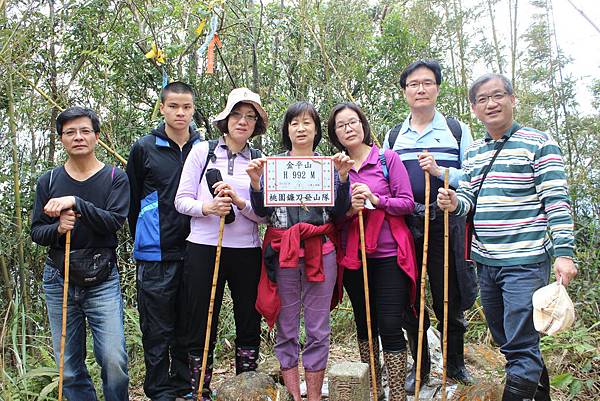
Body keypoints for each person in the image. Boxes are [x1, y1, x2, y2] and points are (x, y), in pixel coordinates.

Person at [437, 73, 577, 401]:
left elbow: (556, 201)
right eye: (482, 99)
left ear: (513, 99)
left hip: (525, 262)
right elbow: (468, 200)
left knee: (520, 345)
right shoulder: (472, 153)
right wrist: (454, 202)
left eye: (497, 95)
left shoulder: (539, 143)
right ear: (474, 108)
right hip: (486, 262)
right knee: (509, 341)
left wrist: (565, 252)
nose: (491, 103)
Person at [248, 101, 352, 401]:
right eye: (295, 123)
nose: (301, 128)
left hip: (322, 249)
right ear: (287, 130)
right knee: (287, 325)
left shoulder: (328, 165)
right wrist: (256, 183)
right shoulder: (273, 166)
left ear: (317, 130)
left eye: (308, 122)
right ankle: (295, 394)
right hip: (284, 250)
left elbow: (339, 210)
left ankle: (315, 396)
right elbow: (264, 212)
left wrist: (343, 178)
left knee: (319, 327)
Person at [383, 59, 476, 392]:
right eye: (413, 84)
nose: (420, 89)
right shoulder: (394, 135)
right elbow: (385, 179)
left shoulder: (456, 130)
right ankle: (418, 365)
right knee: (409, 295)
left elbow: (475, 174)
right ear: (405, 92)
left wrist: (439, 172)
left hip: (445, 223)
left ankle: (454, 365)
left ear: (437, 87)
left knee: (447, 294)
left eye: (427, 83)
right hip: (405, 224)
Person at [174, 87, 268, 400]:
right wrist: (209, 208)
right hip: (203, 246)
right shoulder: (202, 152)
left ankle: (246, 387)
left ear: (256, 124)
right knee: (202, 316)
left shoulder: (258, 160)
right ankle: (199, 389)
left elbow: (265, 216)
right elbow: (181, 200)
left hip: (247, 250)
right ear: (225, 120)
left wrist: (240, 201)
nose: (243, 121)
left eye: (250, 117)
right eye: (237, 115)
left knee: (248, 317)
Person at [31, 107, 130, 401]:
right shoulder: (48, 181)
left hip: (102, 277)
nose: (78, 137)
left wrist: (76, 202)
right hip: (59, 277)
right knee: (69, 366)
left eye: (85, 131)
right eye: (70, 132)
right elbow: (37, 232)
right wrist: (59, 229)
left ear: (97, 137)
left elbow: (114, 223)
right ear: (61, 139)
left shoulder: (115, 177)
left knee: (114, 360)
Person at [328, 102, 417, 401]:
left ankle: (398, 395)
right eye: (341, 125)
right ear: (335, 134)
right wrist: (350, 211)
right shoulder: (335, 168)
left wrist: (376, 200)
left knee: (391, 324)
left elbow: (406, 202)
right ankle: (374, 390)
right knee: (365, 324)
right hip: (354, 256)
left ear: (363, 125)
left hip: (390, 254)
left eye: (352, 122)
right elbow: (332, 216)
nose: (348, 128)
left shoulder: (386, 158)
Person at [127, 81, 201, 401]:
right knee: (157, 329)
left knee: (188, 325)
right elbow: (131, 201)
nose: (180, 112)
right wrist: (144, 236)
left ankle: (185, 385)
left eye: (186, 107)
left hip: (196, 247)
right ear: (162, 108)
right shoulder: (145, 148)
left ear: (193, 110)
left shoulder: (203, 148)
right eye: (174, 106)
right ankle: (159, 390)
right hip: (155, 252)